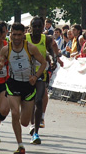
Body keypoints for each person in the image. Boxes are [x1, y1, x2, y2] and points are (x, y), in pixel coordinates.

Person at [0, 23, 47, 154]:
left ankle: (24, 132)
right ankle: (20, 145)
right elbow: (0, 62)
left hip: (28, 85)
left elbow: (43, 63)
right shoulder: (6, 49)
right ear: (10, 34)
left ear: (23, 35)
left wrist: (35, 77)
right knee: (14, 113)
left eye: (19, 35)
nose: (16, 37)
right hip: (13, 84)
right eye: (14, 34)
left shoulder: (31, 48)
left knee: (24, 122)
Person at [25, 16, 62, 145]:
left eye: (39, 26)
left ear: (43, 27)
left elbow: (50, 52)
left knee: (39, 100)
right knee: (28, 102)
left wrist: (53, 61)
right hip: (26, 74)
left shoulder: (46, 39)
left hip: (41, 73)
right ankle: (30, 123)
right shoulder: (25, 38)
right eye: (34, 26)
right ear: (30, 27)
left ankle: (35, 132)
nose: (36, 28)